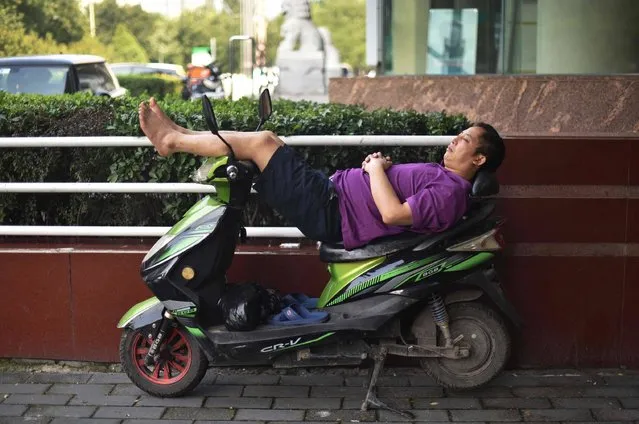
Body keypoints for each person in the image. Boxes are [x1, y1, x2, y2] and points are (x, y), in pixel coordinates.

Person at [138, 99, 505, 250]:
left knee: (263, 142)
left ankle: (173, 140)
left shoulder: (451, 192)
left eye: (465, 140)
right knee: (268, 141)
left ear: (478, 160)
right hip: (331, 197)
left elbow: (394, 214)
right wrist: (380, 170)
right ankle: (182, 135)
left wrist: (375, 169)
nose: (455, 141)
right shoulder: (444, 178)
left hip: (334, 213)